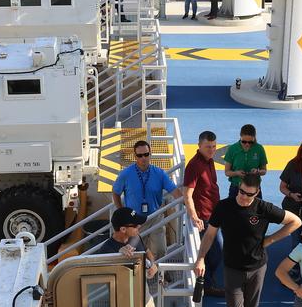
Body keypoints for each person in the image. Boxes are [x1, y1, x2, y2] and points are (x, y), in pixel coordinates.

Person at [195, 173, 302, 307]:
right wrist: (200, 258)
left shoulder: (263, 208)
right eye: (242, 191)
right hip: (232, 268)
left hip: (257, 267)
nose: (244, 197)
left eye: (249, 194)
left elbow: (296, 221)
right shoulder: (224, 207)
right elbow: (210, 234)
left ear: (257, 192)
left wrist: (271, 240)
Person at [91, 207, 159, 307]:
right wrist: (117, 256)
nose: (139, 228)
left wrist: (153, 265)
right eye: (135, 226)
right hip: (121, 303)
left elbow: (147, 251)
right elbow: (94, 276)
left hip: (143, 294)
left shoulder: (136, 237)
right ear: (122, 229)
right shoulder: (106, 250)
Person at [112, 139, 183, 260]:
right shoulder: (126, 174)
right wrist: (121, 212)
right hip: (134, 221)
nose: (143, 158)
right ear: (135, 156)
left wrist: (189, 206)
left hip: (155, 216)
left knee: (160, 250)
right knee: (135, 253)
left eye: (146, 154)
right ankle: (141, 276)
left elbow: (175, 191)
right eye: (140, 155)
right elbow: (115, 192)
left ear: (150, 154)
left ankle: (160, 277)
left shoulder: (159, 173)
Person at [183, 130, 225, 297]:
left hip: (214, 214)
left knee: (215, 251)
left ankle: (208, 281)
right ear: (199, 146)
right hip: (205, 219)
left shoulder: (209, 161)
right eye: (208, 147)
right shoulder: (194, 166)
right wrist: (194, 216)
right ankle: (206, 284)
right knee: (214, 252)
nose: (212, 150)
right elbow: (187, 194)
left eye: (214, 146)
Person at [221, 124, 268, 199]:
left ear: (254, 138)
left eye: (250, 142)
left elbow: (264, 170)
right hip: (236, 187)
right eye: (244, 141)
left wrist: (257, 171)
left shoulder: (259, 149)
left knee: (257, 210)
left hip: (254, 187)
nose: (247, 144)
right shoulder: (232, 149)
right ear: (240, 137)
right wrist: (236, 173)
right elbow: (227, 172)